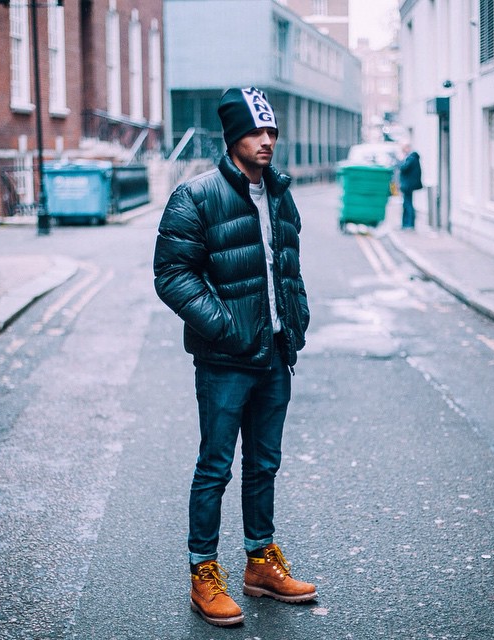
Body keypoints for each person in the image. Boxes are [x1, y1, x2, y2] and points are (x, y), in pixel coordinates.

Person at [153, 87, 317, 627]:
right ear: (232, 137)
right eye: (256, 132)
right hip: (226, 359)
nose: (267, 141)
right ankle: (204, 572)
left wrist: (295, 317)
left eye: (271, 131)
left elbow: (287, 266)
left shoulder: (280, 192)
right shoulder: (196, 196)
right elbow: (172, 275)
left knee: (264, 464)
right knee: (215, 467)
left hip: (275, 353)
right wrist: (226, 327)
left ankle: (260, 562)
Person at [398, 142, 422, 229]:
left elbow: (403, 168)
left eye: (403, 149)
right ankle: (406, 224)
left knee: (407, 204)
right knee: (407, 204)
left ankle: (409, 224)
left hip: (408, 186)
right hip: (409, 185)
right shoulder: (413, 158)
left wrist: (401, 160)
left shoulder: (411, 158)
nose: (403, 151)